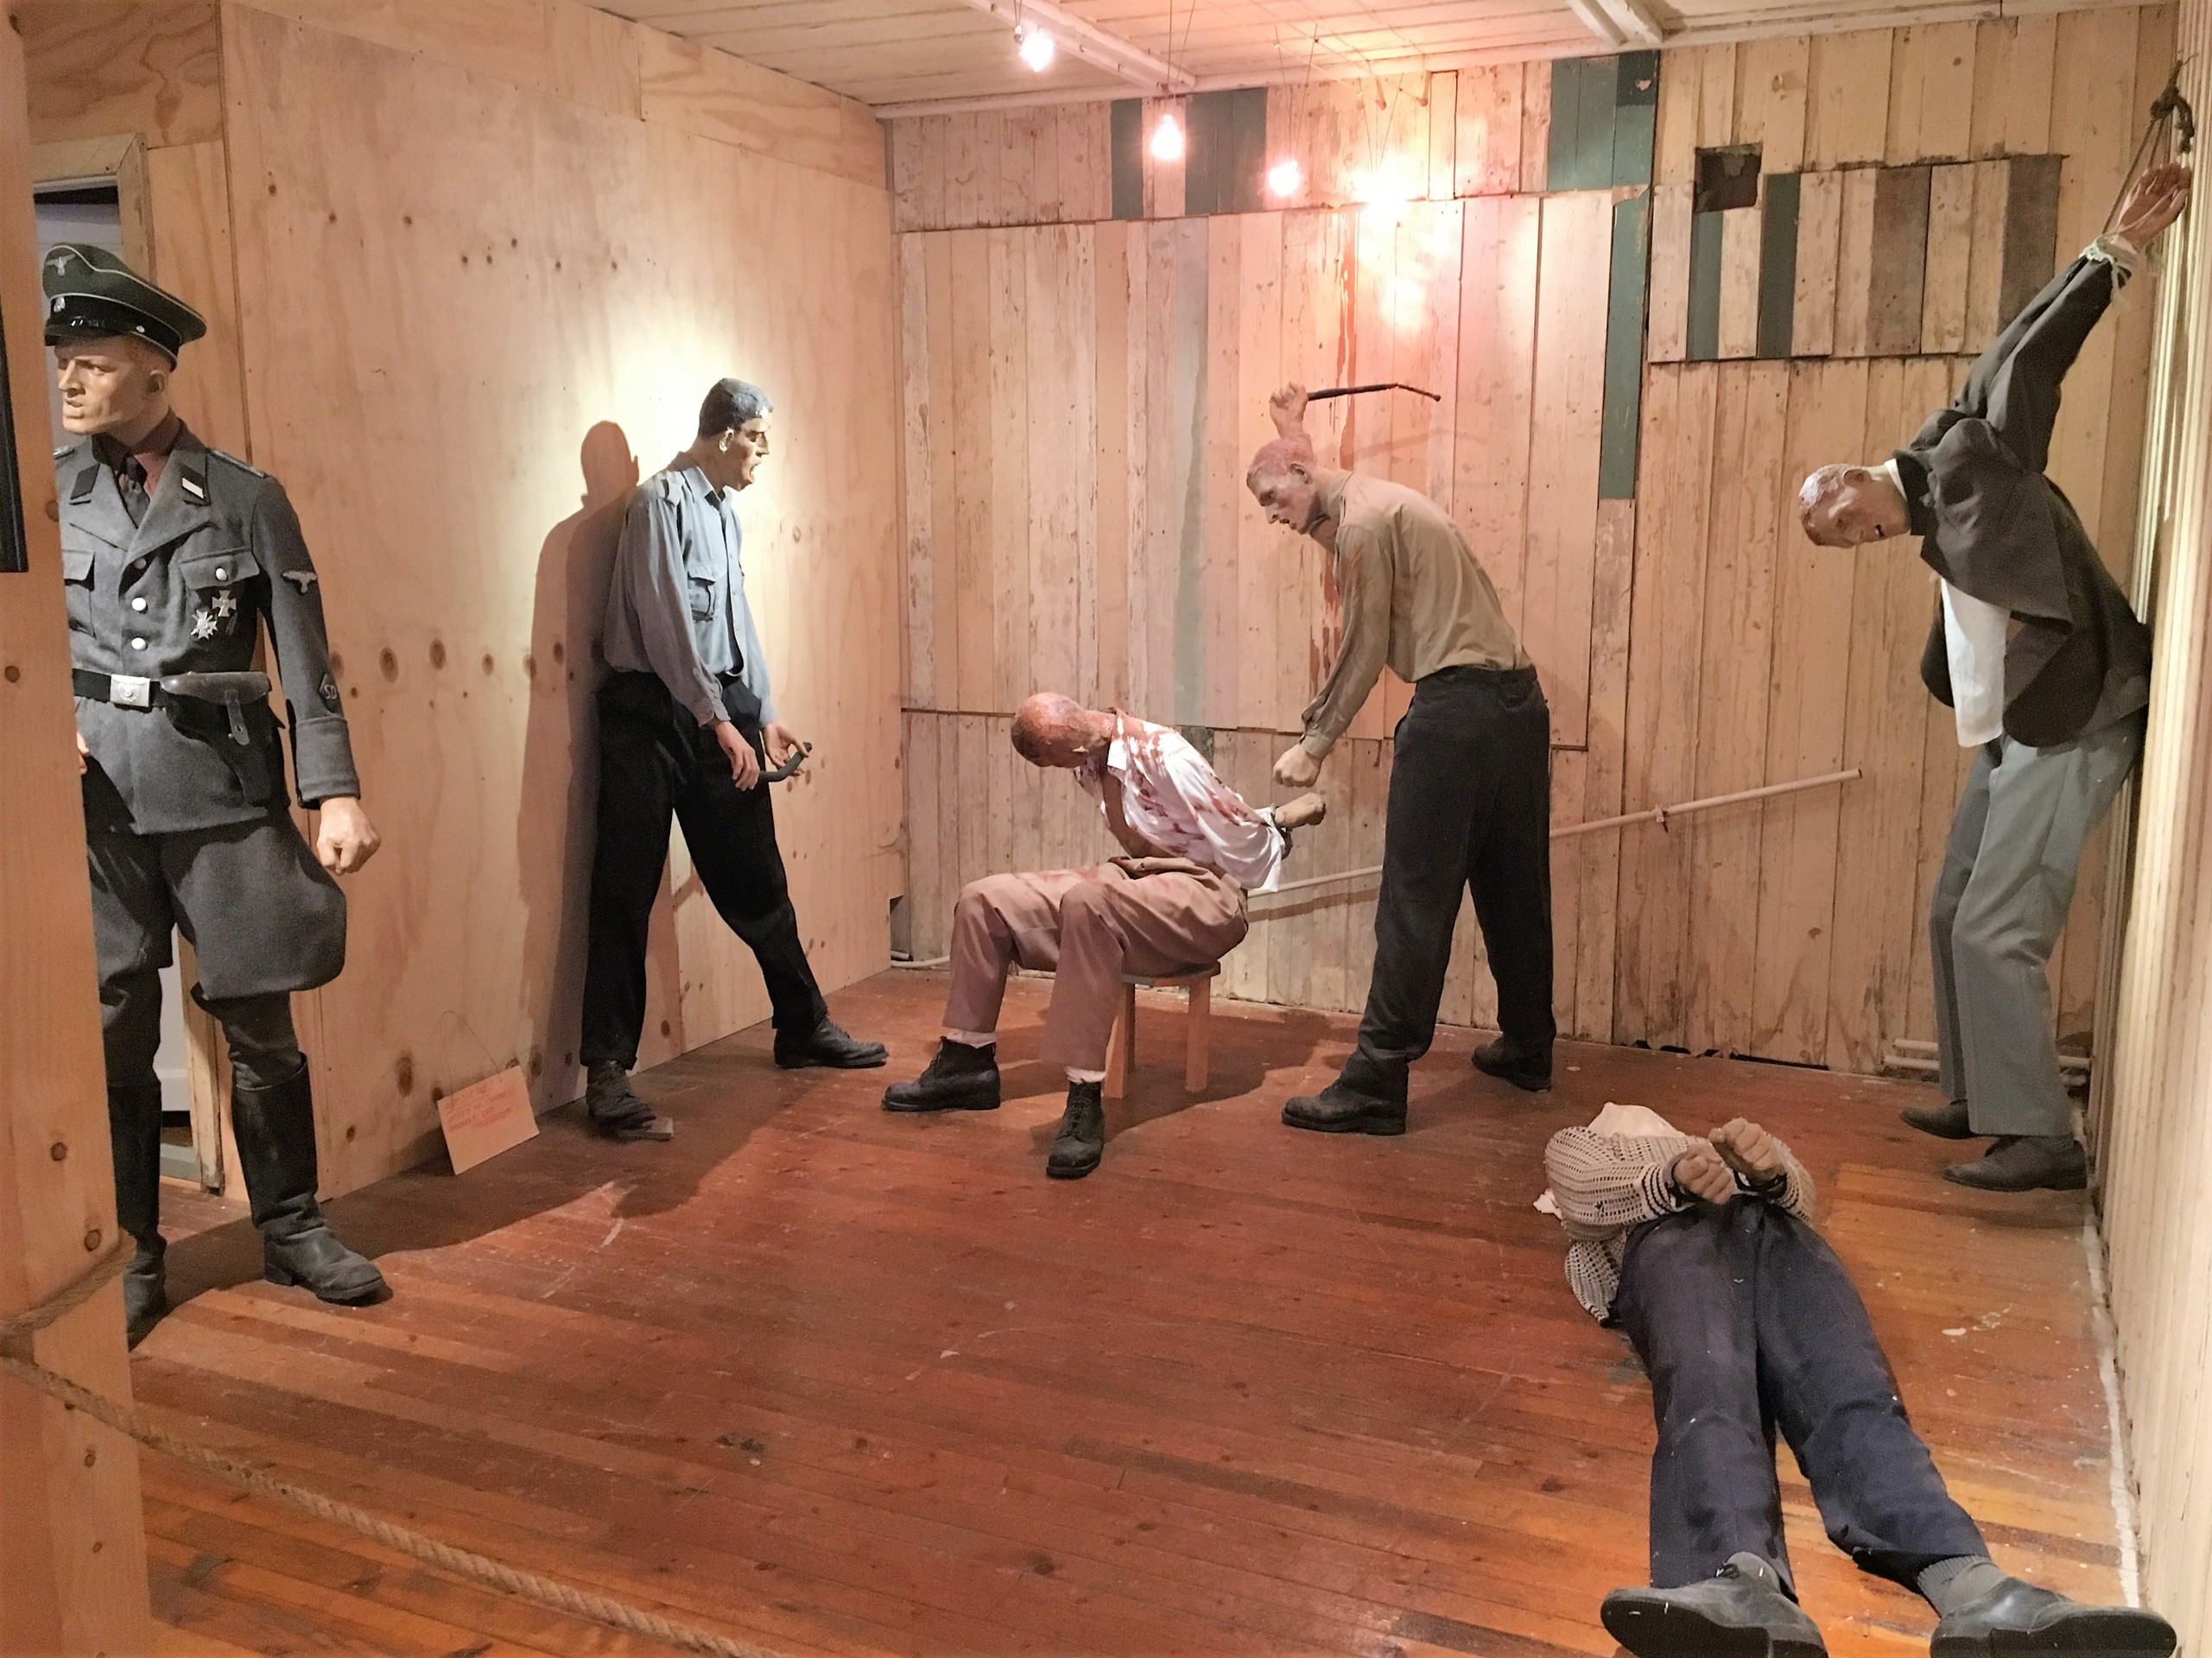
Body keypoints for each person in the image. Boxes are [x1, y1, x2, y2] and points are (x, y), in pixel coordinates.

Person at [1797, 163, 2192, 1194]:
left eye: (1844, 520)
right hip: (2013, 727)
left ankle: (2040, 1140)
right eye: (1841, 542)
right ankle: (1981, 1093)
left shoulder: (1971, 459)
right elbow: (2001, 344)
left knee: (1993, 929)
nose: (1856, 537)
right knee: (1949, 912)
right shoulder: (1938, 458)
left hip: (2073, 715)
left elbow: (2034, 361)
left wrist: (2113, 257)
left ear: (1850, 478)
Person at [45, 244, 386, 1347]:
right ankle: (131, 1250)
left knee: (259, 1018)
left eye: (93, 361)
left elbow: (305, 656)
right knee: (111, 1027)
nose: (70, 380)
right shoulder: (46, 496)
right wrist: (34, 723)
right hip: (94, 801)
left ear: (155, 368)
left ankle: (291, 1227)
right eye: (63, 361)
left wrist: (333, 791)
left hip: (222, 791)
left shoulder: (243, 498)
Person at [1542, 1105, 2177, 1658]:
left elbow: (1803, 1196)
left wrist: (1769, 1172)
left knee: (1855, 1395)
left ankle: (1976, 1587)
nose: (1641, 1116)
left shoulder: (1720, 1145)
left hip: (1777, 1234)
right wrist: (1668, 1176)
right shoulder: (1591, 1141)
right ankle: (1733, 1577)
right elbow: (1577, 1193)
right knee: (1709, 1390)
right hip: (1669, 1238)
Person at [580, 378, 884, 1141]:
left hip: (719, 709)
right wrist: (715, 719)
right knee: (624, 888)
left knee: (758, 878)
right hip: (651, 715)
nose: (763, 452)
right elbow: (665, 623)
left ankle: (801, 1025)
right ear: (724, 437)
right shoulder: (658, 504)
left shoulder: (722, 513)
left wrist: (763, 713)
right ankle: (607, 1073)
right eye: (756, 438)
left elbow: (734, 619)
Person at [1245, 389, 1553, 1136]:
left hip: (1454, 718)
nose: (1270, 516)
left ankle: (1376, 1079)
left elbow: (1365, 641)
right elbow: (1328, 517)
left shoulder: (1362, 523)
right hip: (1517, 708)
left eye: (1270, 497)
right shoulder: (1376, 505)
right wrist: (1293, 433)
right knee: (1514, 885)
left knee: (1413, 900)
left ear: (1301, 473)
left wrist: (1316, 741)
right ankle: (1528, 1046)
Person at [883, 693, 1325, 1179]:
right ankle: (966, 1061)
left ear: (1072, 748)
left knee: (1088, 903)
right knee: (983, 900)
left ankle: (1084, 1096)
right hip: (1140, 876)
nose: (1057, 770)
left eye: (1053, 761)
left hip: (1209, 894)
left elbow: (1238, 832)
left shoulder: (1165, 755)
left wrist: (1280, 824)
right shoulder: (1092, 756)